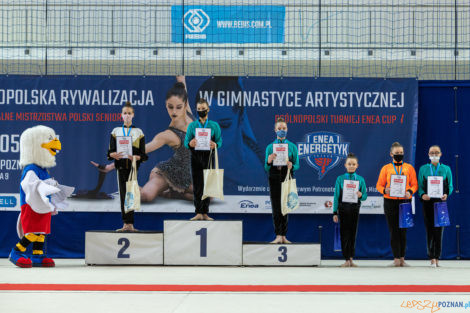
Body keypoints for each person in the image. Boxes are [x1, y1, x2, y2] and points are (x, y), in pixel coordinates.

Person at [91, 77, 195, 202]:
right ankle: (135, 186)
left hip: (185, 176)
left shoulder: (189, 113)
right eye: (170, 107)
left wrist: (181, 78)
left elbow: (183, 87)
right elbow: (141, 150)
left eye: (178, 107)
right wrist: (110, 167)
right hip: (166, 174)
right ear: (166, 106)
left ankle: (174, 193)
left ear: (185, 104)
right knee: (145, 197)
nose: (174, 111)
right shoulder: (168, 134)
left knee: (207, 197)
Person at [376, 142, 418, 267]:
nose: (399, 155)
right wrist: (384, 190)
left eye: (401, 153)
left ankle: (402, 259)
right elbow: (379, 185)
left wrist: (410, 191)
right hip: (390, 201)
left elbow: (415, 184)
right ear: (391, 154)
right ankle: (396, 259)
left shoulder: (409, 168)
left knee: (403, 231)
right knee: (393, 231)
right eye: (397, 153)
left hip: (405, 201)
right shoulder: (386, 168)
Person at [108, 102, 147, 231]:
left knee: (131, 193)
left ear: (133, 115)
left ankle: (131, 223)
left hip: (133, 168)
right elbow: (110, 151)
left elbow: (143, 154)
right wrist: (113, 154)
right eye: (125, 113)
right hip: (120, 167)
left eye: (129, 113)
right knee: (123, 194)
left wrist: (135, 157)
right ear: (121, 115)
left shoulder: (139, 132)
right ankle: (125, 223)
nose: (127, 116)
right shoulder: (115, 131)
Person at [184, 98, 222, 221]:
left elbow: (219, 141)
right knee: (197, 185)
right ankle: (198, 212)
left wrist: (215, 145)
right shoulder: (192, 125)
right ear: (196, 110)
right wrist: (191, 143)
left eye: (203, 109)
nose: (201, 111)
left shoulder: (214, 125)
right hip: (195, 157)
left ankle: (205, 213)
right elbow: (185, 142)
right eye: (199, 109)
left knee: (207, 186)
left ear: (208, 109)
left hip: (209, 157)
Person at [264, 117, 299, 244]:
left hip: (287, 175)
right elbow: (266, 167)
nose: (281, 130)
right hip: (273, 176)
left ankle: (284, 235)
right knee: (276, 206)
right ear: (275, 130)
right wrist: (269, 160)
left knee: (286, 206)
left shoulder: (292, 147)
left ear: (287, 129)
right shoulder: (270, 147)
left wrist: (291, 165)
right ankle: (278, 235)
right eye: (279, 128)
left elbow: (297, 165)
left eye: (284, 128)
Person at [418, 145, 453, 267]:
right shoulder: (423, 169)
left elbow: (450, 186)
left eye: (436, 152)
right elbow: (420, 187)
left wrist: (446, 194)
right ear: (428, 154)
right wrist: (422, 195)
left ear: (440, 154)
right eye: (432, 152)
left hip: (441, 203)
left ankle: (437, 257)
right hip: (427, 203)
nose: (434, 154)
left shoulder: (446, 169)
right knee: (429, 230)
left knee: (439, 230)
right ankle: (431, 257)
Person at [332, 153, 367, 267]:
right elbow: (336, 196)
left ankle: (351, 258)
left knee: (353, 234)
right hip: (343, 209)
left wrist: (361, 195)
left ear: (357, 165)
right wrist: (334, 212)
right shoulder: (340, 179)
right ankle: (346, 259)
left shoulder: (360, 179)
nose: (351, 166)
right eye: (349, 164)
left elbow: (365, 196)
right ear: (345, 165)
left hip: (355, 208)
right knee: (344, 234)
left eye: (353, 164)